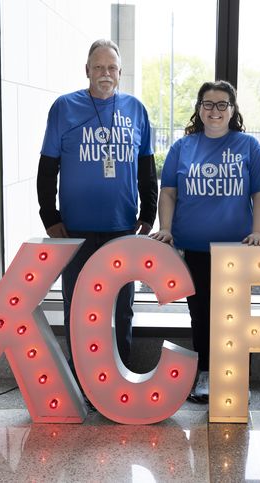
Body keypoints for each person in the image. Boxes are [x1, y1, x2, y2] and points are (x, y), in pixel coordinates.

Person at [36, 39, 157, 380]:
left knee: (122, 306)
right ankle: (80, 377)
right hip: (75, 228)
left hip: (122, 227)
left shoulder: (136, 109)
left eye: (112, 68)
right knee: (78, 305)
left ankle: (122, 374)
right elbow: (48, 166)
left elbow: (146, 167)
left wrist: (148, 213)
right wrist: (50, 216)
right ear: (87, 70)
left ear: (120, 73)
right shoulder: (64, 107)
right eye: (99, 67)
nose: (106, 73)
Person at [150, 80, 260, 402]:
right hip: (196, 249)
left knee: (236, 316)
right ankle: (204, 373)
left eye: (221, 104)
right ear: (199, 109)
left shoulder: (249, 146)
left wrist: (259, 232)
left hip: (237, 251)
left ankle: (235, 377)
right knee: (201, 314)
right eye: (208, 104)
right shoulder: (182, 147)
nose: (214, 111)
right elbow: (169, 193)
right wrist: (166, 228)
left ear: (232, 110)